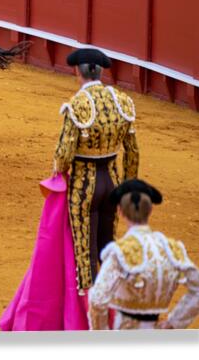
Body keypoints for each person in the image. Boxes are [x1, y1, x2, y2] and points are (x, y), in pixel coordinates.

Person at [53, 47, 139, 293]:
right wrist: (127, 185)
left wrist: (57, 172)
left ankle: (88, 305)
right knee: (107, 242)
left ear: (77, 72)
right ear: (101, 72)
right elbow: (133, 151)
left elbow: (65, 152)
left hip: (84, 184)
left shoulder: (78, 104)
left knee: (84, 246)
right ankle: (117, 295)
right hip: (112, 183)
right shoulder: (122, 102)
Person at [88, 179, 199, 330]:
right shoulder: (171, 250)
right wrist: (173, 323)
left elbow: (97, 300)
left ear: (119, 211)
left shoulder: (120, 252)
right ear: (151, 210)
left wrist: (101, 333)